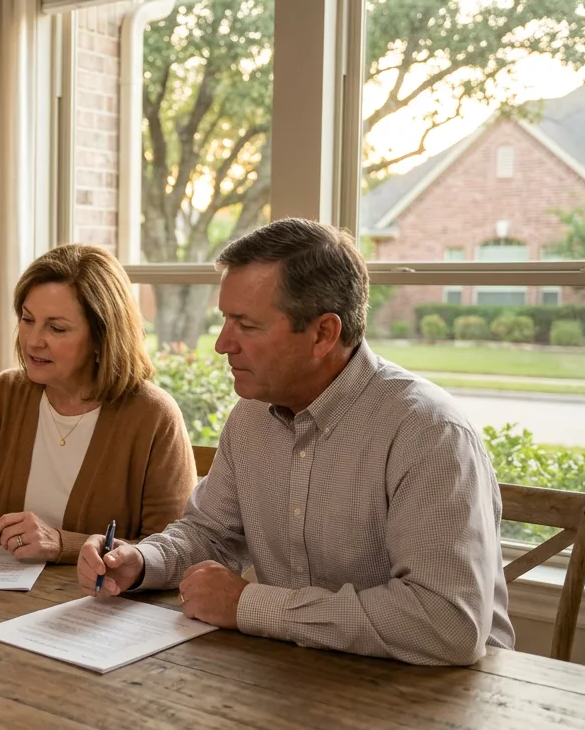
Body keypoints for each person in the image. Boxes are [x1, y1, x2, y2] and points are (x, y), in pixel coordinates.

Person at [78, 217, 515, 666]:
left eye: (246, 325)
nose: (222, 344)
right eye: (224, 320)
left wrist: (249, 606)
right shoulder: (251, 415)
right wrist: (140, 560)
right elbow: (210, 534)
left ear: (323, 334)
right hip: (296, 677)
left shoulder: (429, 433)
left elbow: (446, 623)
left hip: (445, 700)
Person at [0, 244, 197, 564]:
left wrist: (63, 544)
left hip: (102, 606)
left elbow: (172, 551)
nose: (34, 341)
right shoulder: (2, 395)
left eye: (56, 328)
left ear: (102, 336)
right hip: (3, 599)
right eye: (27, 319)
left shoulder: (153, 416)